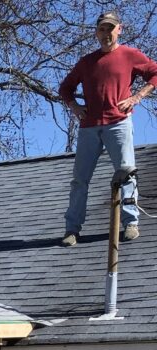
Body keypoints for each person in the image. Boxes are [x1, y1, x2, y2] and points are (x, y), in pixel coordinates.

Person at [58, 11, 157, 245]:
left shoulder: (129, 55)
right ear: (96, 32)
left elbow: (154, 73)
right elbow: (65, 88)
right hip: (89, 127)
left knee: (126, 172)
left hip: (118, 123)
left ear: (119, 29)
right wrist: (74, 107)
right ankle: (72, 230)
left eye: (110, 28)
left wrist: (137, 97)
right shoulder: (86, 62)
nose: (106, 33)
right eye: (102, 29)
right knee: (79, 179)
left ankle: (130, 223)